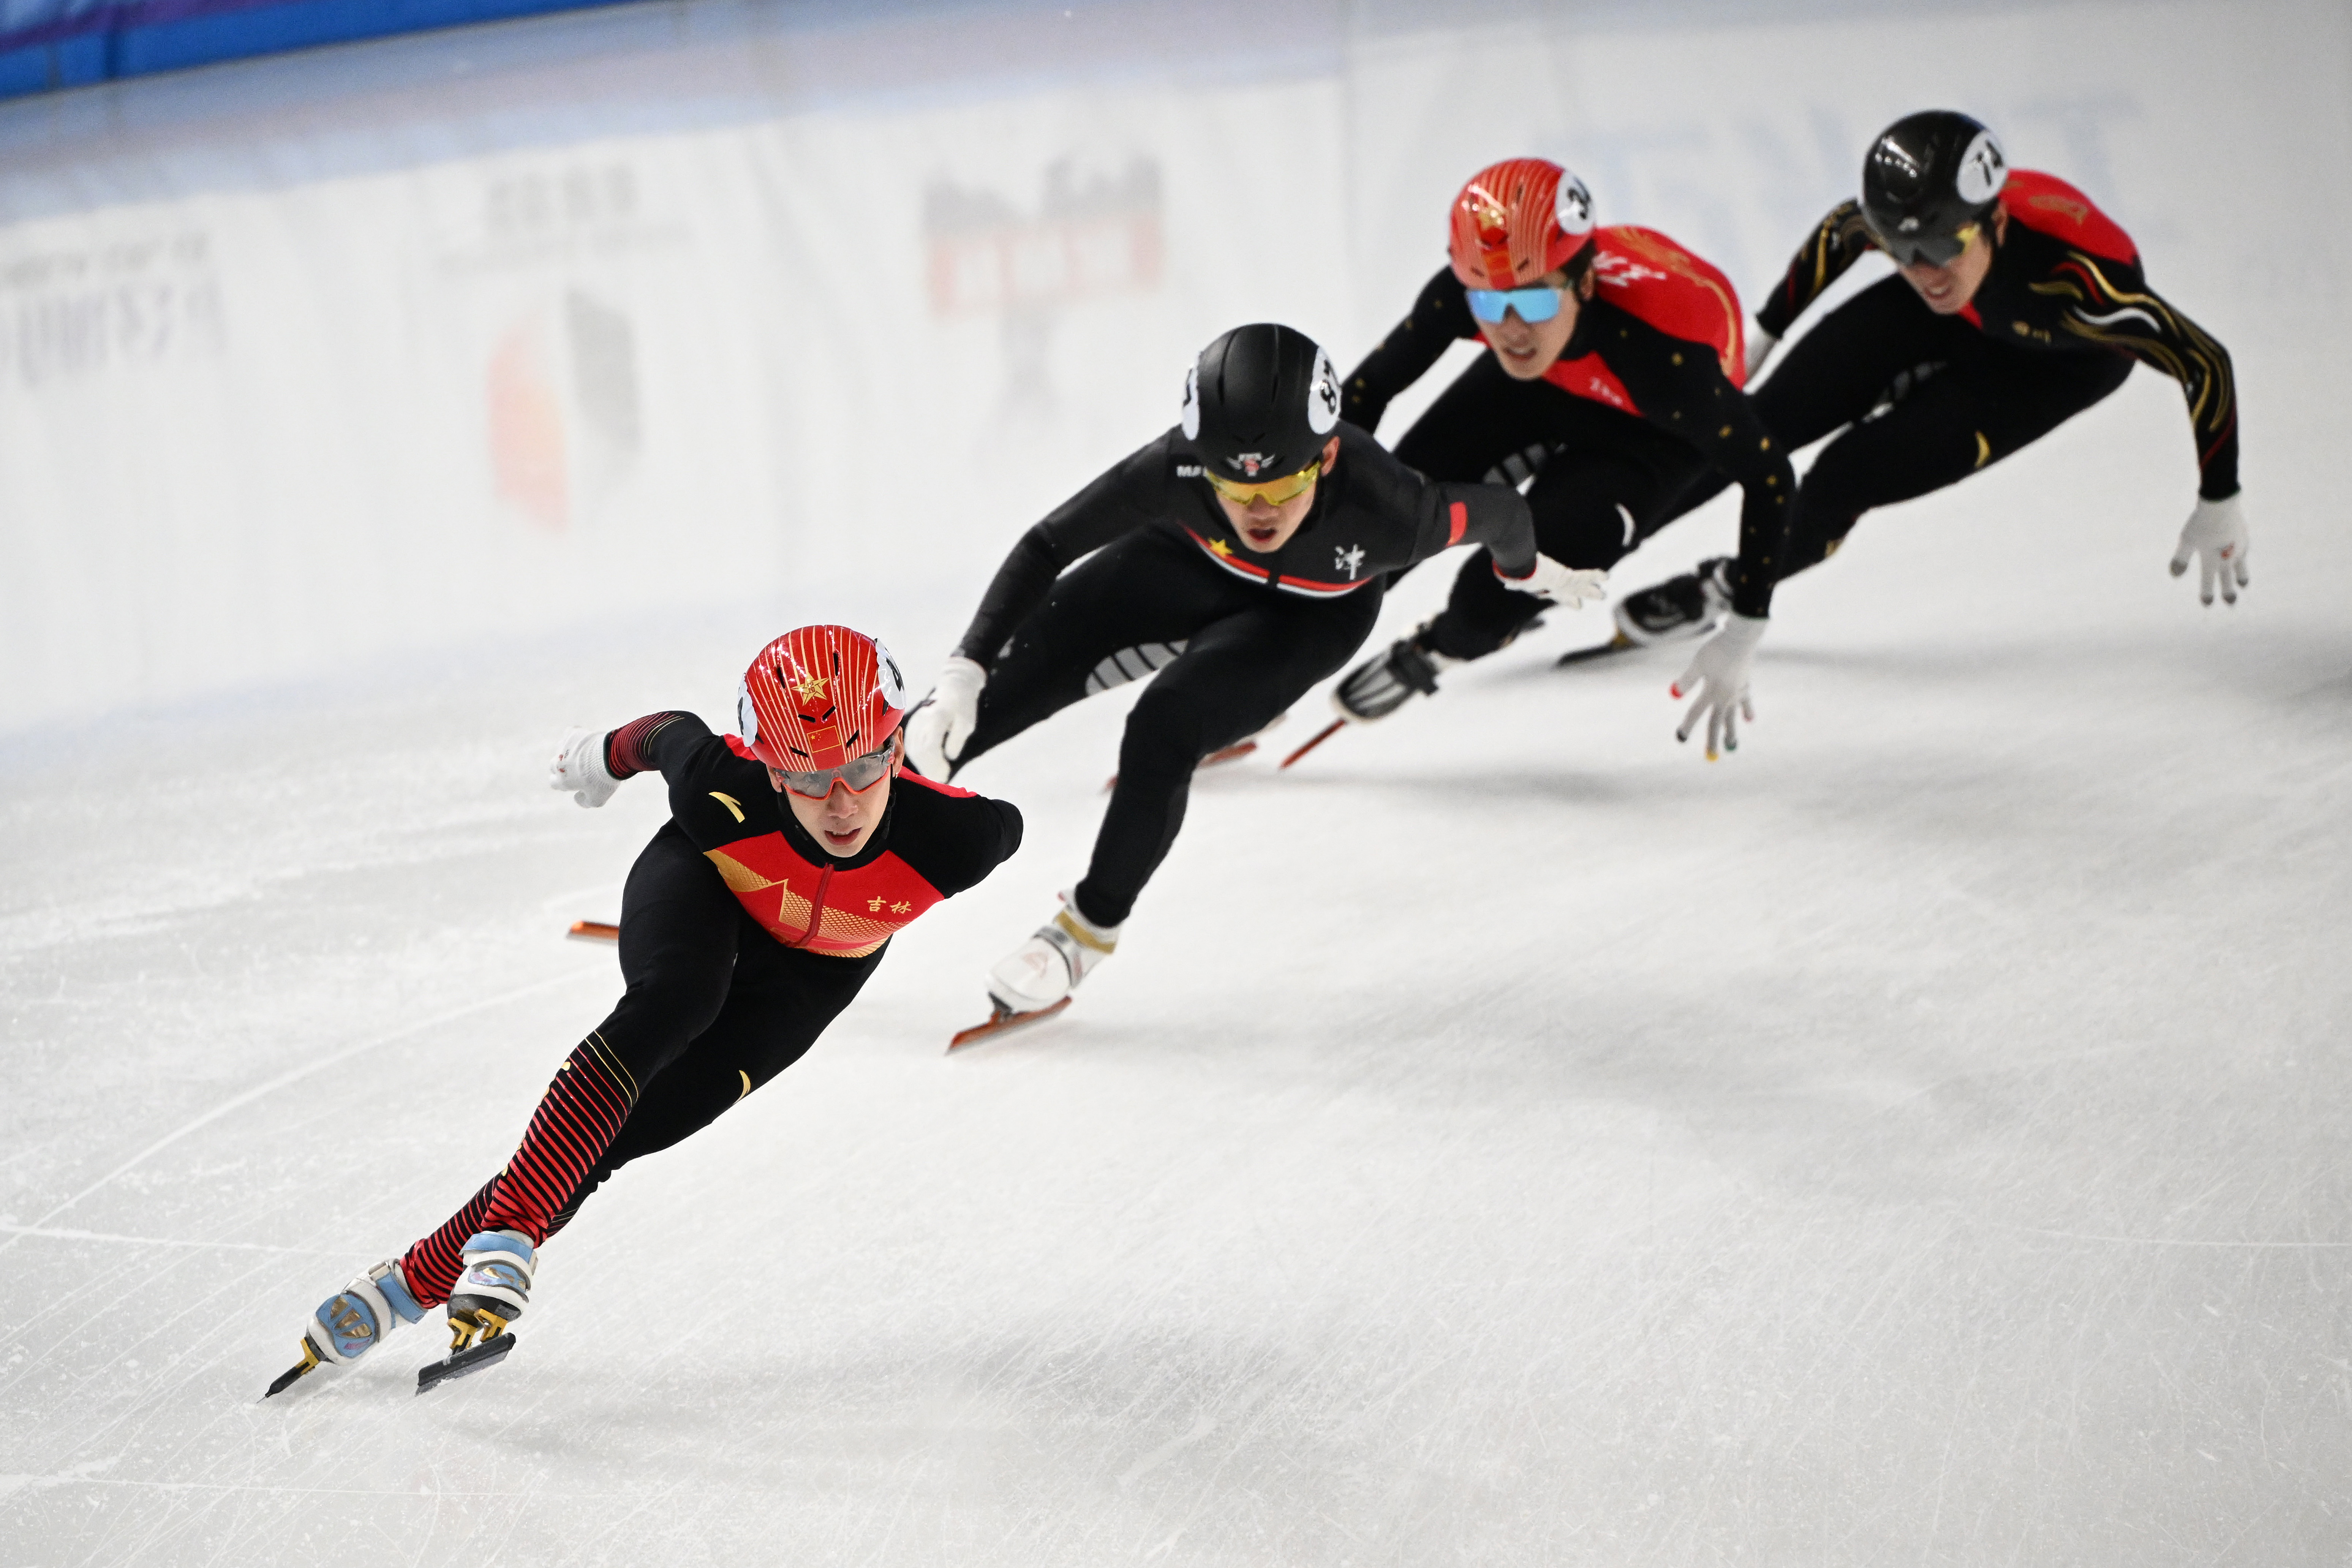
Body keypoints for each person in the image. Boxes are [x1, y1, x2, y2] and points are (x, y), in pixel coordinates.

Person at [270, 625, 1022, 1395]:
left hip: (815, 969)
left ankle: (405, 1287)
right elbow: (669, 735)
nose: (840, 803)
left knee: (629, 1131)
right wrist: (603, 752)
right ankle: (510, 1235)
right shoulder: (717, 782)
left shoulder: (966, 839)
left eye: (864, 766)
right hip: (708, 880)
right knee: (676, 1000)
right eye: (805, 775)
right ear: (766, 766)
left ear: (896, 748)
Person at [903, 322, 1600, 1026]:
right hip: (1185, 565)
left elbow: (1505, 514)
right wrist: (964, 670)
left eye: (1284, 482)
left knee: (1163, 728)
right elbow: (1048, 543)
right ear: (1203, 461)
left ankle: (1087, 931)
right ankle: (835, 827)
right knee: (977, 701)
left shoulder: (1391, 508)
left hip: (1307, 621)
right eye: (1233, 483)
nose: (1259, 509)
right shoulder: (1175, 468)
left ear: (1327, 458)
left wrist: (1531, 573)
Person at [1611, 109, 2246, 642]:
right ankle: (1611, 536)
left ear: (1995, 223)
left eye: (1942, 248)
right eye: (1902, 250)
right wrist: (1765, 334)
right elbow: (1843, 229)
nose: (1925, 270)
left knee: (1842, 479)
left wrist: (2220, 498)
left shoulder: (2081, 288)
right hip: (1954, 319)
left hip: (2048, 371)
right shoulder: (1925, 244)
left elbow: (2204, 360)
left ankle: (1718, 588)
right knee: (1759, 423)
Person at [1328, 157, 1798, 759]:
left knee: (1498, 591)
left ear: (1584, 284)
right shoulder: (1479, 296)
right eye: (1491, 308)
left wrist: (1746, 628)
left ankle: (1444, 645)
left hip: (1651, 432)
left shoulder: (1667, 364)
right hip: (1549, 383)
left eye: (1534, 305)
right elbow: (1363, 395)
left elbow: (1770, 476)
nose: (1514, 329)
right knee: (1381, 521)